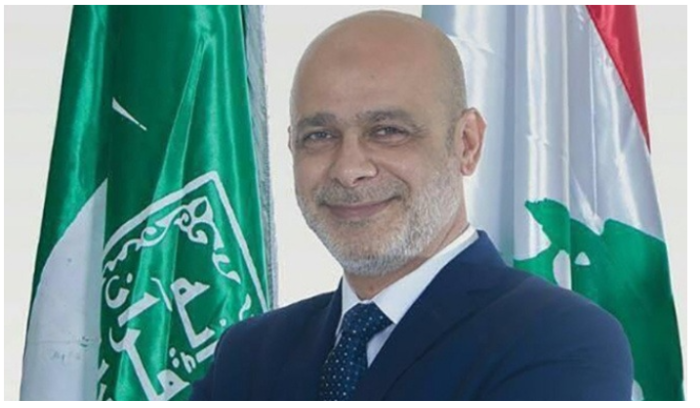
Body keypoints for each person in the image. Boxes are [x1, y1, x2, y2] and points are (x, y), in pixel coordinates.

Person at [190, 10, 632, 400]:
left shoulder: (559, 338)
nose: (349, 169)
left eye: (387, 131)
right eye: (319, 136)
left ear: (466, 144)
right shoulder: (248, 355)